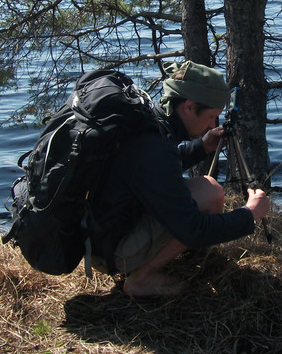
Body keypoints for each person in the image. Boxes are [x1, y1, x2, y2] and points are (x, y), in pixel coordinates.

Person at [88, 61, 270, 297]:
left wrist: (201, 147)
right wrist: (249, 214)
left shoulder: (150, 120)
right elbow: (193, 229)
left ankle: (159, 259)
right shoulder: (155, 146)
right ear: (189, 106)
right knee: (210, 194)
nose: (212, 124)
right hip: (114, 252)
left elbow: (156, 172)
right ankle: (140, 279)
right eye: (211, 116)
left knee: (206, 189)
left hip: (100, 235)